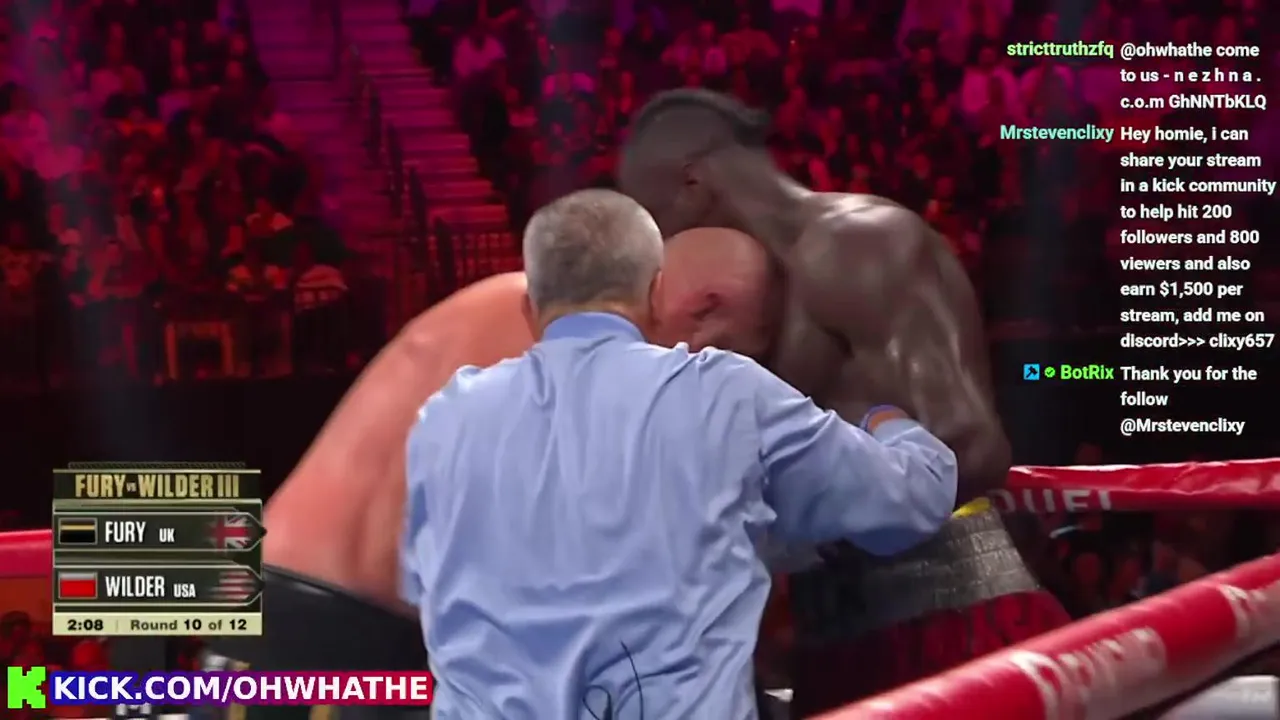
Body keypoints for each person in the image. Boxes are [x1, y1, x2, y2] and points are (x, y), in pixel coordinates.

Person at [400, 189, 957, 719]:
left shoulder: (444, 419)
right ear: (656, 292)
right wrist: (885, 421)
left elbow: (428, 583)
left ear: (530, 307)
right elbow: (913, 498)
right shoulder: (722, 393)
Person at [616, 89, 1071, 713]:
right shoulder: (739, 309)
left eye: (656, 219)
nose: (664, 248)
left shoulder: (859, 244)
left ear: (692, 183)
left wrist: (786, 534)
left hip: (952, 617)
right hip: (834, 643)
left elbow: (970, 443)